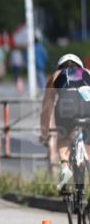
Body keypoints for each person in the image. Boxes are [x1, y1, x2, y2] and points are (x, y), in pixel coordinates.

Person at [39, 54, 90, 188]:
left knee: (63, 137)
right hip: (88, 108)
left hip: (66, 110)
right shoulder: (87, 73)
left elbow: (46, 107)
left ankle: (65, 168)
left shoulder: (56, 75)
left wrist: (44, 132)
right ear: (80, 66)